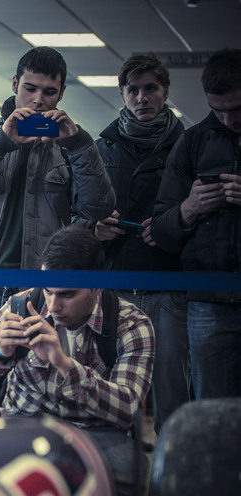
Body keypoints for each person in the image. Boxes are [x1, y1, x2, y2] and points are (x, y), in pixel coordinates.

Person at [0, 47, 114, 360]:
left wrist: (80, 146)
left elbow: (98, 209)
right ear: (15, 84)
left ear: (62, 93)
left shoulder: (72, 145)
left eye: (49, 92)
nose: (38, 100)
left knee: (26, 390)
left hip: (36, 292)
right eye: (30, 88)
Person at [0, 225, 154, 433]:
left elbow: (127, 409)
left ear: (97, 287)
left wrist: (63, 364)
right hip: (23, 426)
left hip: (95, 432)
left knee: (120, 461)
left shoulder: (130, 324)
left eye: (67, 295)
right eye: (48, 291)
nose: (52, 306)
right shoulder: (23, 306)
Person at [89, 53, 188, 432]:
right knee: (112, 387)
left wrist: (171, 226)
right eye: (134, 90)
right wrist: (93, 227)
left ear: (165, 92)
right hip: (114, 281)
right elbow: (78, 208)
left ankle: (175, 473)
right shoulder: (101, 147)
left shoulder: (188, 145)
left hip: (168, 281)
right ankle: (117, 468)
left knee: (171, 386)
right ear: (122, 94)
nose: (142, 98)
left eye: (151, 89)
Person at [153, 48, 241, 399]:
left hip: (210, 298)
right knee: (212, 415)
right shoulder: (192, 142)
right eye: (217, 110)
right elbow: (160, 230)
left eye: (237, 109)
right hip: (209, 300)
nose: (228, 120)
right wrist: (188, 210)